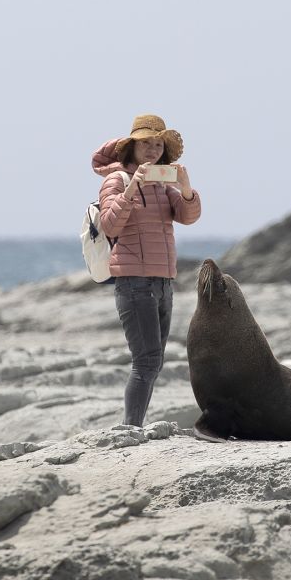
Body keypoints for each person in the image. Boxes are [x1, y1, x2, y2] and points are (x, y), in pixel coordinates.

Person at [91, 114, 202, 427]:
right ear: (132, 147)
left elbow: (188, 216)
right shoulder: (117, 181)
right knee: (147, 360)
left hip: (163, 282)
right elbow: (111, 224)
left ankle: (133, 425)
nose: (153, 150)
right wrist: (132, 188)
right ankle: (131, 428)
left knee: (154, 361)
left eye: (158, 145)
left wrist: (186, 189)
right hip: (134, 283)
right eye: (146, 144)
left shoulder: (162, 186)